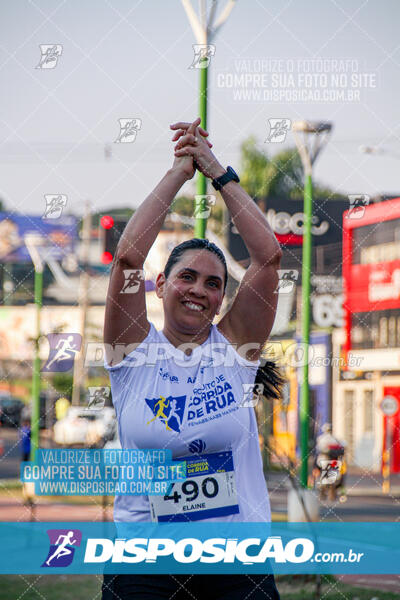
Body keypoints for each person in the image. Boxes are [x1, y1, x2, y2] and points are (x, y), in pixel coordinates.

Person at [102, 118, 283, 599]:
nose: (198, 290)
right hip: (145, 565)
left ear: (223, 299)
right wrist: (181, 171)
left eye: (213, 283)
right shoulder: (132, 352)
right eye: (186, 276)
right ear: (160, 285)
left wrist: (217, 172)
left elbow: (268, 258)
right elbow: (126, 260)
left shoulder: (236, 350)